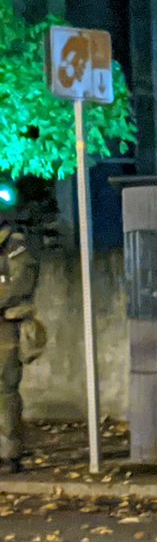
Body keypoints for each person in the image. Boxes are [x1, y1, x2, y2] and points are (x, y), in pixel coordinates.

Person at [0, 190, 44, 474]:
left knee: (4, 391)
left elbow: (17, 288)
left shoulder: (17, 247)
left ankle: (8, 453)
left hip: (6, 328)